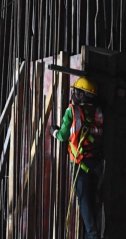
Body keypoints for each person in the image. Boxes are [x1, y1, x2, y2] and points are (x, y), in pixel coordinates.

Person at [52, 76, 103, 239]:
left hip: (80, 164)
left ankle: (92, 235)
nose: (73, 93)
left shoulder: (72, 111)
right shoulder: (98, 111)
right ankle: (94, 233)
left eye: (76, 91)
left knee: (84, 201)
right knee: (95, 200)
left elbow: (63, 135)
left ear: (81, 94)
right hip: (96, 163)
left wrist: (53, 131)